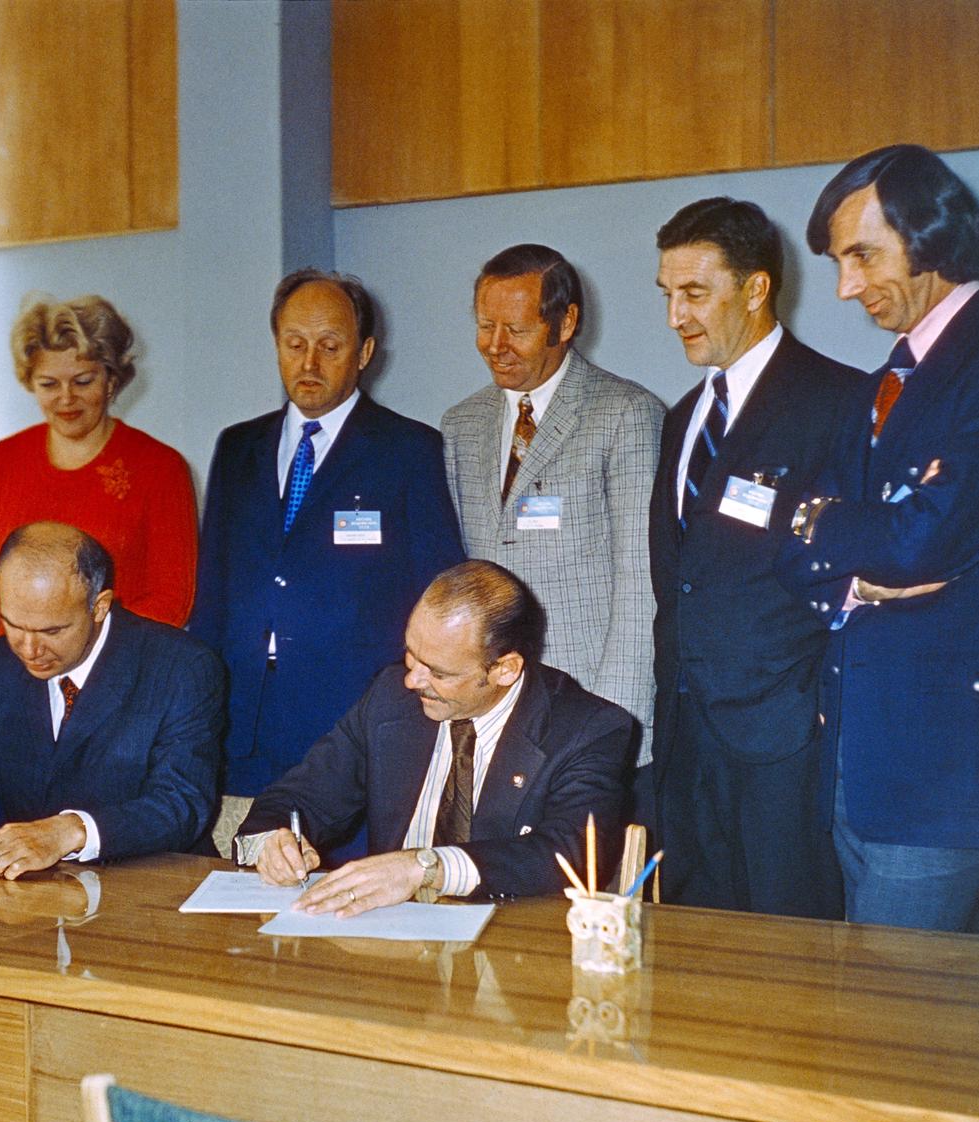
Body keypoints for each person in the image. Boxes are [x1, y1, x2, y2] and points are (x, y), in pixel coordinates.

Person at [779, 145, 979, 933]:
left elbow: (918, 542)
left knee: (900, 1034)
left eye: (862, 255)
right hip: (860, 772)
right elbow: (794, 544)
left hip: (941, 786)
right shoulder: (887, 380)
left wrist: (834, 529)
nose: (845, 287)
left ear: (930, 233)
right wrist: (856, 572)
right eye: (839, 262)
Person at [651, 197, 863, 918]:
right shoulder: (682, 419)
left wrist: (810, 709)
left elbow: (855, 576)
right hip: (686, 736)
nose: (676, 315)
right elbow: (681, 576)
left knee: (790, 948)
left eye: (695, 294)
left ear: (756, 287)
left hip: (784, 740)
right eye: (668, 295)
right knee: (698, 947)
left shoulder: (839, 404)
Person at [190, 269, 465, 796]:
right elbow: (212, 596)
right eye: (294, 344)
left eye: (329, 346)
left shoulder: (409, 451)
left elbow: (438, 595)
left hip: (355, 727)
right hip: (244, 725)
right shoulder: (237, 448)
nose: (308, 363)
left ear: (364, 353)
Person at [234, 561, 633, 914]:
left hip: (511, 951)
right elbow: (299, 798)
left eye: (438, 672)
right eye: (410, 655)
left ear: (505, 670)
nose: (412, 680)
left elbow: (569, 855)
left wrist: (425, 866)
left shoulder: (588, 729)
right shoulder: (390, 698)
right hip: (391, 941)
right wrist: (273, 842)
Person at [0, 522, 224, 879]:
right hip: (30, 903)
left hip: (150, 896)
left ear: (100, 606)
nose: (29, 650)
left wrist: (70, 832)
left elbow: (180, 804)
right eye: (13, 625)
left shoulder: (181, 668)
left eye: (52, 631)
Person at [441, 244, 663, 785]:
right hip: (492, 711)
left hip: (587, 705)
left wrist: (614, 727)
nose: (495, 346)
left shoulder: (627, 415)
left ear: (565, 323)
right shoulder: (460, 425)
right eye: (484, 326)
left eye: (515, 329)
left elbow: (641, 588)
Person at [0, 294, 196, 626]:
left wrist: (81, 651)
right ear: (30, 384)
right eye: (49, 384)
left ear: (111, 381)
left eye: (83, 381)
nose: (66, 398)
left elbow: (172, 600)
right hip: (11, 662)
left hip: (119, 664)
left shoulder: (160, 468)